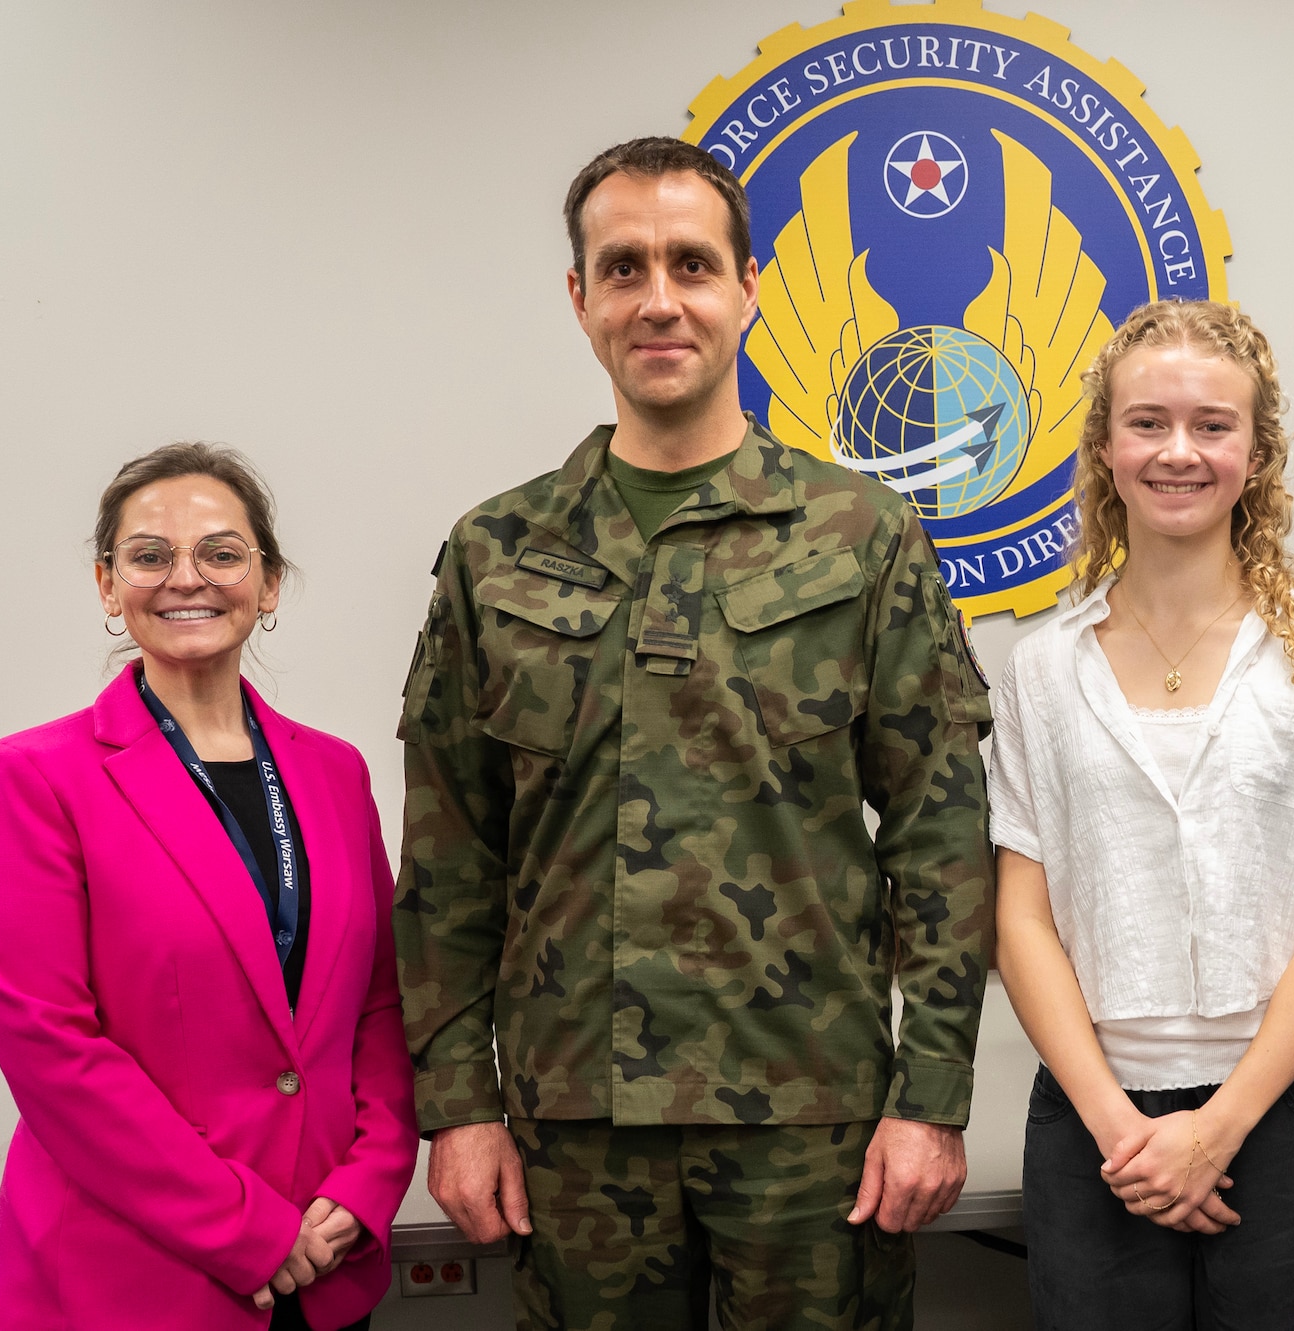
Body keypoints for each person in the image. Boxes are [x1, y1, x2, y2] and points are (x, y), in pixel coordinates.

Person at [394, 137, 993, 1330]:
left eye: (690, 264)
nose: (657, 299)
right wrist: (459, 1105)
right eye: (622, 268)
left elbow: (940, 831)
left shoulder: (859, 534)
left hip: (809, 1118)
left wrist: (931, 1096)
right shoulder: (495, 551)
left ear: (748, 287)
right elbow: (451, 855)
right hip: (575, 1124)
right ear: (579, 299)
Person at [990, 300, 1294, 1330]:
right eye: (1147, 421)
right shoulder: (1042, 669)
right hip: (1096, 1118)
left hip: (1280, 1110)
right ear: (1102, 446)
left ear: (1256, 452)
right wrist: (1120, 1130)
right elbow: (1018, 920)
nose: (1179, 450)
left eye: (1212, 425)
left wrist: (1216, 1128)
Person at [0, 444, 419, 1331]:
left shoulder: (335, 773)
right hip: (134, 1277)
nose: (187, 578)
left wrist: (369, 1184)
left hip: (327, 1256)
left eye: (220, 552)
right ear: (107, 584)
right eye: (149, 554)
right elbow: (53, 1048)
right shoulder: (36, 777)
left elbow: (379, 1004)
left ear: (269, 582)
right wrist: (245, 1227)